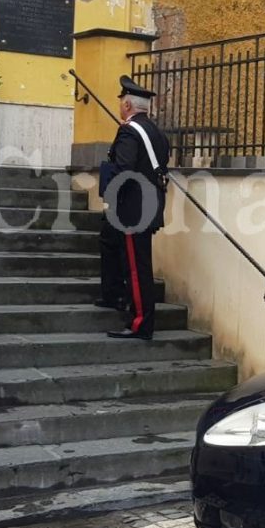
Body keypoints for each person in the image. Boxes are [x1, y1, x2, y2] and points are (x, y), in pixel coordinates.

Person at [97, 76, 170, 341]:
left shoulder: (129, 131)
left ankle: (141, 324)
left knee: (137, 269)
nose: (120, 106)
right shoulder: (156, 133)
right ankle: (114, 295)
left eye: (121, 102)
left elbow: (124, 169)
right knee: (114, 245)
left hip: (132, 211)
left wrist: (110, 191)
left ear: (127, 105)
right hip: (148, 206)